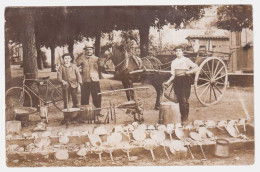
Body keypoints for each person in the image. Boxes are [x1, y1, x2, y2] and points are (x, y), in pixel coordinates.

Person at [163, 46, 199, 123]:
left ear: (182, 52)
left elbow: (196, 67)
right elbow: (173, 75)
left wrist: (189, 72)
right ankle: (180, 117)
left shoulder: (186, 60)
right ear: (175, 53)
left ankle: (185, 117)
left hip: (185, 80)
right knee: (178, 99)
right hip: (177, 81)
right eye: (176, 51)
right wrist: (168, 82)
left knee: (184, 99)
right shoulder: (174, 62)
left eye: (179, 51)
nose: (178, 52)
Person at [76, 43, 102, 116]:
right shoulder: (81, 58)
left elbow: (102, 67)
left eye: (90, 49)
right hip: (85, 80)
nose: (89, 51)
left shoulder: (96, 58)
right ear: (85, 51)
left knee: (97, 96)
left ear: (93, 50)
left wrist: (102, 63)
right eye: (87, 50)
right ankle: (85, 113)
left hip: (95, 80)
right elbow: (75, 65)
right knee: (84, 97)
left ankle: (98, 112)